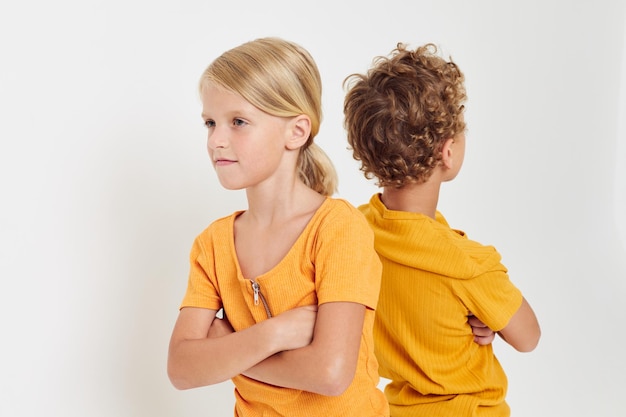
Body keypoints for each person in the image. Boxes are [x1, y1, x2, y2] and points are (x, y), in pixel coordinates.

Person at [167, 37, 390, 417]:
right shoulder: (213, 244)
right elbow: (181, 369)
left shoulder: (338, 228)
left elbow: (331, 373)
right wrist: (274, 334)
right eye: (210, 123)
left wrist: (231, 352)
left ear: (296, 132)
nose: (216, 140)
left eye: (238, 122)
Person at [342, 42, 541, 417]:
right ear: (447, 152)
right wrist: (491, 318)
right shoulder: (467, 265)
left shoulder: (351, 231)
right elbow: (529, 337)